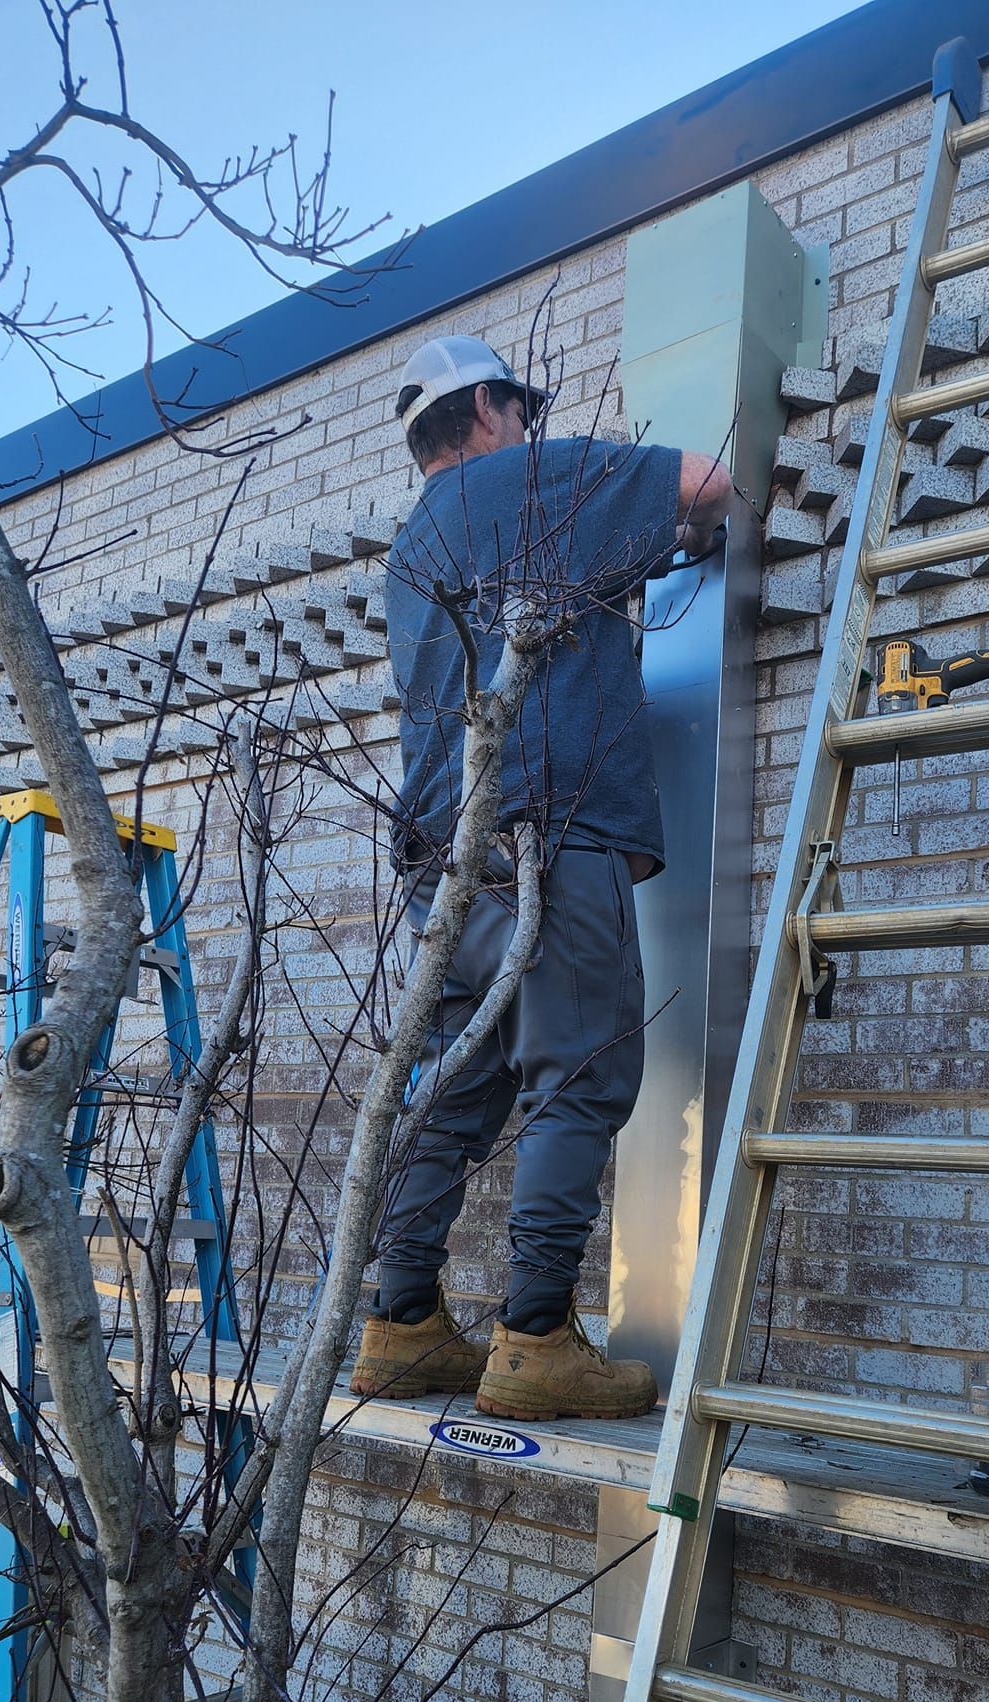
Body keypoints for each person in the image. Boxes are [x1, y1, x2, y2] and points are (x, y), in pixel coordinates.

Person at [351, 333, 732, 1422]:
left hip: (444, 853)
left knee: (463, 1081)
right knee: (583, 1071)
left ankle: (401, 1319)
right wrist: (699, 527)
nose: (532, 425)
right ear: (489, 407)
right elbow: (706, 484)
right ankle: (534, 1338)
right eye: (522, 408)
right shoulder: (523, 479)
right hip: (545, 838)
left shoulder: (416, 543)